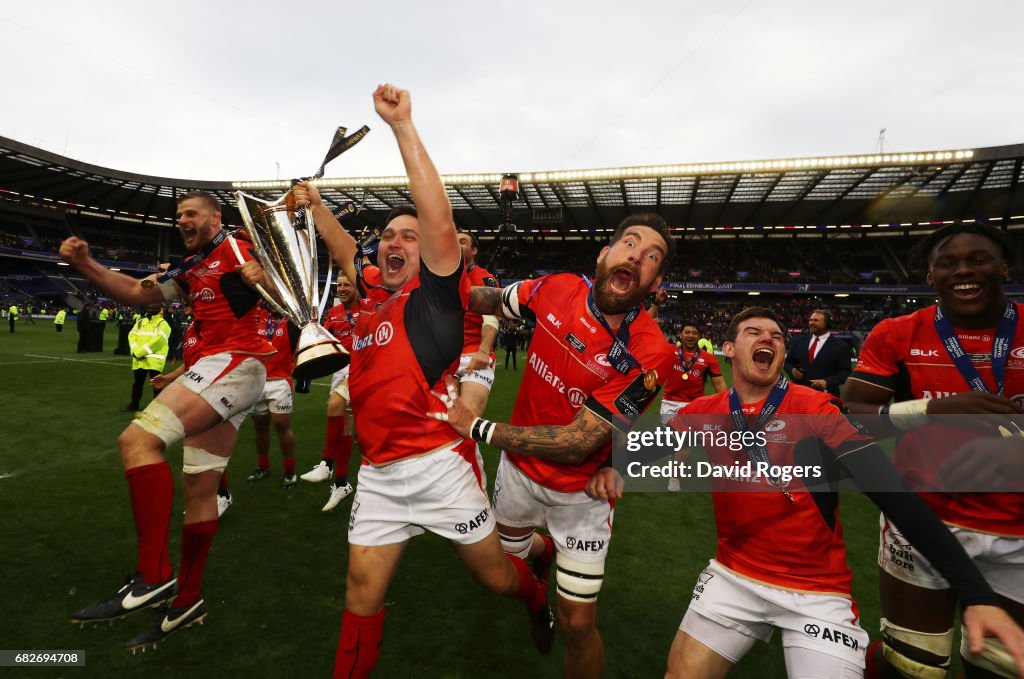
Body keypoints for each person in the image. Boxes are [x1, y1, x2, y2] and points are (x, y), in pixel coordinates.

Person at [586, 307, 1024, 679]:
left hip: (816, 594)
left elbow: (897, 499)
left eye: (777, 336)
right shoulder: (704, 412)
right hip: (733, 578)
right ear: (729, 349)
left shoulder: (817, 410)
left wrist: (978, 596)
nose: (769, 339)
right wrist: (610, 467)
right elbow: (643, 454)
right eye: (754, 333)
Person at [291, 84, 551, 677]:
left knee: (493, 577)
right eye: (387, 236)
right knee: (359, 592)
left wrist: (402, 126)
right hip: (379, 472)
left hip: (440, 463)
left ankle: (536, 596)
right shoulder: (369, 302)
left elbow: (439, 225)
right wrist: (315, 204)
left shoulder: (431, 299)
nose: (394, 242)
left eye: (408, 236)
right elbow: (340, 252)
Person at [433, 212, 677, 679]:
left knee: (579, 623)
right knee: (507, 567)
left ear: (656, 281)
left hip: (582, 494)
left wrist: (478, 427)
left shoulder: (650, 354)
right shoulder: (557, 287)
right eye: (629, 242)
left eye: (651, 256)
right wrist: (432, 293)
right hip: (519, 477)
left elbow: (574, 443)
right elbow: (487, 299)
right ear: (603, 255)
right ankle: (541, 571)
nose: (637, 255)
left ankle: (552, 576)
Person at [60, 190, 275, 652]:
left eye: (190, 213)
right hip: (224, 371)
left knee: (137, 442)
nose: (181, 220)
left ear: (215, 218)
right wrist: (87, 264)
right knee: (199, 491)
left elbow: (280, 293)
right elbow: (139, 293)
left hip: (234, 362)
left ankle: (154, 575)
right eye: (178, 215)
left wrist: (265, 280)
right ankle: (188, 600)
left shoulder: (235, 247)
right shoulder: (192, 268)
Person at [843, 223, 1024, 679]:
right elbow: (855, 416)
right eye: (948, 262)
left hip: (1019, 531)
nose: (963, 270)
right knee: (911, 665)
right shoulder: (897, 333)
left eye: (978, 259)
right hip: (923, 520)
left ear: (1004, 266)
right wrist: (931, 409)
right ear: (931, 275)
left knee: (999, 664)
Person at [299, 274, 361, 512]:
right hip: (340, 371)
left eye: (347, 285)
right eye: (339, 285)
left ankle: (327, 463)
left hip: (361, 369)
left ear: (358, 287)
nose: (342, 289)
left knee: (335, 405)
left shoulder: (368, 309)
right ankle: (342, 483)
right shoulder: (334, 314)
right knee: (345, 427)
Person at [662, 321, 728, 492]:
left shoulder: (708, 358)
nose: (691, 335)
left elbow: (719, 384)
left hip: (694, 406)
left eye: (694, 333)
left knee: (686, 442)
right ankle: (676, 462)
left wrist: (728, 406)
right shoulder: (669, 352)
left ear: (699, 336)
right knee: (674, 443)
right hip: (669, 403)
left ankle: (675, 478)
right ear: (680, 335)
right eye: (687, 332)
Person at [245, 306, 300, 489]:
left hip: (280, 381)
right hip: (257, 379)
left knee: (281, 425)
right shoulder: (256, 314)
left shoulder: (292, 320)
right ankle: (263, 465)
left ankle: (290, 470)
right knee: (260, 426)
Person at [454, 229, 500, 417]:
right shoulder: (442, 278)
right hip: (445, 358)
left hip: (474, 354)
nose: (456, 245)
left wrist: (483, 350)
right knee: (444, 429)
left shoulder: (484, 278)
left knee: (466, 423)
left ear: (474, 250)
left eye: (462, 241)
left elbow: (491, 318)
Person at [784, 309, 853, 397]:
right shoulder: (798, 341)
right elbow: (787, 362)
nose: (811, 323)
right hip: (799, 394)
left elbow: (846, 372)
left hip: (826, 396)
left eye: (816, 320)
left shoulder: (841, 346)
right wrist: (792, 371)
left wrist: (827, 382)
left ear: (827, 323)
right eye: (810, 320)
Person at [123, 302, 171, 413]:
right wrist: (135, 351)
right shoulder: (140, 322)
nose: (150, 308)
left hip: (154, 359)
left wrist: (139, 352)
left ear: (159, 309)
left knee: (156, 384)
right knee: (137, 384)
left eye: (153, 306)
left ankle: (157, 409)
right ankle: (134, 405)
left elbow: (158, 341)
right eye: (149, 306)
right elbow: (132, 335)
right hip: (140, 359)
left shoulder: (163, 324)